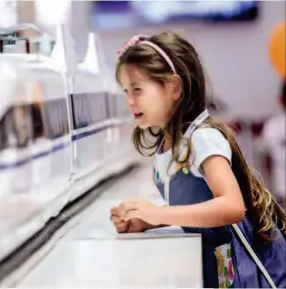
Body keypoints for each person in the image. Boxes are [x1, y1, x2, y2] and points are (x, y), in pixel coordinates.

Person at [108, 33, 286, 288]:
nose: (129, 100)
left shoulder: (202, 139)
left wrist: (161, 212)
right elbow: (200, 207)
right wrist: (149, 219)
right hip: (217, 259)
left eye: (137, 89)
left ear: (174, 88)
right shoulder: (168, 147)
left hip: (238, 266)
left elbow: (232, 207)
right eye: (126, 91)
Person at [261, 81, 286, 210]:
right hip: (281, 195)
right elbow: (267, 161)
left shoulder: (272, 127)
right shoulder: (273, 127)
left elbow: (266, 163)